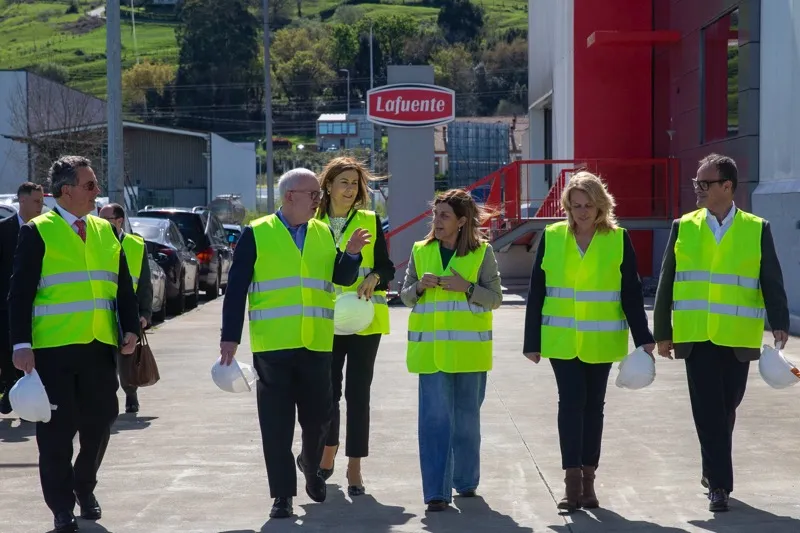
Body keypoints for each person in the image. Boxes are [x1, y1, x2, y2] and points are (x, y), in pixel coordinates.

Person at [219, 168, 370, 519]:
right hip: (273, 345)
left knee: (320, 418)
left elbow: (341, 277)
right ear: (290, 197)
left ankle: (311, 464)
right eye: (313, 194)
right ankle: (282, 496)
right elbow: (236, 288)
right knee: (276, 424)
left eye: (319, 194)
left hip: (317, 343)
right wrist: (230, 338)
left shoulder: (322, 232)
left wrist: (350, 254)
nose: (319, 199)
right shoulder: (257, 234)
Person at [9, 156, 140, 533]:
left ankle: (85, 486)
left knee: (101, 423)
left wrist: (130, 328)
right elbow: (19, 295)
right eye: (89, 185)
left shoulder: (106, 231)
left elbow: (122, 289)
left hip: (99, 346)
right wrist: (21, 344)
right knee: (56, 433)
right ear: (66, 191)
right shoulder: (38, 231)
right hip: (53, 351)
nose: (96, 191)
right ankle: (62, 507)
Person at [654, 153, 789, 513]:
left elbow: (770, 279)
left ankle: (711, 467)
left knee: (727, 408)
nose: (697, 189)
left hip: (738, 337)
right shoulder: (683, 226)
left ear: (726, 187)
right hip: (696, 336)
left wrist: (779, 322)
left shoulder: (756, 228)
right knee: (709, 410)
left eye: (704, 183)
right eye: (697, 182)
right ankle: (720, 486)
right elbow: (667, 282)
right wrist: (662, 332)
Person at [522, 171, 655, 512]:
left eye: (588, 205)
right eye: (575, 205)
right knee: (571, 403)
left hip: (601, 339)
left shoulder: (618, 239)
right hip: (561, 340)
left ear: (601, 206)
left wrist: (644, 338)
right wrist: (531, 341)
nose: (582, 212)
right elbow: (537, 290)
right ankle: (571, 484)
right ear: (567, 206)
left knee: (594, 407)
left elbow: (630, 292)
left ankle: (589, 481)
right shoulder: (552, 236)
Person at [399, 188, 502, 512]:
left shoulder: (481, 253)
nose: (437, 220)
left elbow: (495, 298)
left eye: (444, 215)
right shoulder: (420, 251)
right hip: (430, 355)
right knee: (434, 423)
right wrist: (418, 287)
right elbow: (404, 296)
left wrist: (468, 288)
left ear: (461, 221)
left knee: (466, 422)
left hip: (469, 355)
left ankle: (466, 481)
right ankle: (436, 493)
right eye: (435, 214)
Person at [315, 157, 395, 496]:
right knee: (326, 394)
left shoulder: (369, 220)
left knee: (358, 394)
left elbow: (387, 267)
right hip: (326, 321)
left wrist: (375, 277)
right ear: (328, 186)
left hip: (365, 319)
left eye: (355, 183)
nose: (350, 189)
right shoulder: (312, 222)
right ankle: (327, 454)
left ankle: (355, 468)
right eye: (343, 182)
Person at [99, 202, 153, 414]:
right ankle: (107, 398)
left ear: (119, 221)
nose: (100, 223)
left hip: (127, 312)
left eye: (106, 219)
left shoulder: (136, 245)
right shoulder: (96, 243)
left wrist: (145, 314)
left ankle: (131, 393)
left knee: (127, 357)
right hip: (102, 310)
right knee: (105, 359)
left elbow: (145, 284)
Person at [0, 182, 44, 415]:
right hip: (7, 305)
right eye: (36, 201)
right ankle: (9, 389)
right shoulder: (4, 230)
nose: (41, 206)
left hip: (40, 304)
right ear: (22, 200)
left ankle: (27, 402)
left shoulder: (45, 230)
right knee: (8, 351)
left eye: (42, 201)